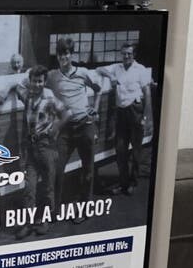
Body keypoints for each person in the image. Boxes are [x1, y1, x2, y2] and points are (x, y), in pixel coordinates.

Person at [12, 65, 66, 240]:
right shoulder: (28, 96)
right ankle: (28, 223)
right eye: (34, 81)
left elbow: (66, 113)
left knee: (48, 186)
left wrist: (54, 129)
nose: (37, 85)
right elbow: (16, 86)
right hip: (31, 148)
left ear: (45, 82)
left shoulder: (49, 97)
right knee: (30, 187)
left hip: (46, 147)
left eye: (40, 81)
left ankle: (45, 220)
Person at [46, 39, 103, 202]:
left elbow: (98, 89)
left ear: (72, 54)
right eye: (59, 54)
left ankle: (85, 206)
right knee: (57, 169)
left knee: (88, 170)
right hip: (65, 130)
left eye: (66, 53)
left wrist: (95, 108)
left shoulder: (83, 73)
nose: (62, 57)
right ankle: (55, 210)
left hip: (85, 125)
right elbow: (31, 80)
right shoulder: (52, 76)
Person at [97, 43, 153, 195]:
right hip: (121, 113)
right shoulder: (117, 68)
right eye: (124, 54)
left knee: (136, 151)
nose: (126, 56)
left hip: (135, 111)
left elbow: (147, 93)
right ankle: (123, 184)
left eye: (129, 53)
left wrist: (147, 116)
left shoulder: (140, 70)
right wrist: (111, 76)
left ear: (134, 55)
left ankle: (133, 182)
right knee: (120, 150)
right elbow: (99, 69)